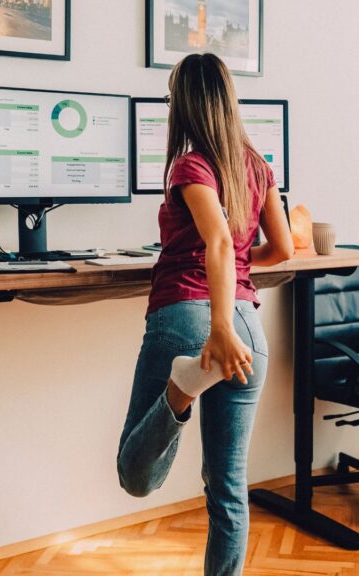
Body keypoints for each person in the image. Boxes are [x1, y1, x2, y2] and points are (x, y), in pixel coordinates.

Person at [116, 53, 294, 576]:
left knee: (135, 474)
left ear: (183, 106)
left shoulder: (190, 165)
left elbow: (216, 239)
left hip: (193, 318)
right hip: (250, 331)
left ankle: (182, 387)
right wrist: (241, 272)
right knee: (228, 489)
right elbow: (281, 249)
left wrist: (216, 330)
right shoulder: (258, 166)